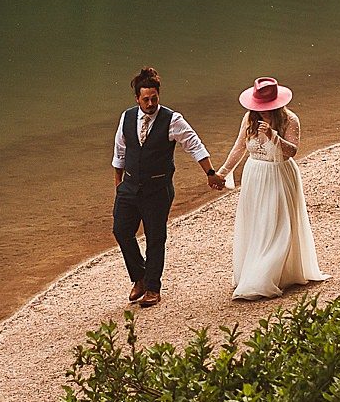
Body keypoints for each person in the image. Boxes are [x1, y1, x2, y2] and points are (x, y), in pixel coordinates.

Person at [112, 65, 222, 309]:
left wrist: (210, 173)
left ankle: (152, 288)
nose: (151, 103)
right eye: (146, 99)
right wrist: (118, 185)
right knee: (121, 231)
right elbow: (120, 150)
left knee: (155, 237)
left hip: (157, 189)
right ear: (137, 98)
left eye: (154, 98)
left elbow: (193, 144)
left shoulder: (172, 120)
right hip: (129, 187)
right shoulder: (127, 117)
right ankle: (139, 276)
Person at [213, 76, 325, 300]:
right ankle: (256, 269)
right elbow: (239, 148)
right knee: (258, 224)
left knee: (277, 223)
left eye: (267, 108)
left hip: (279, 174)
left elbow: (292, 151)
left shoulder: (290, 120)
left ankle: (267, 275)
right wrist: (222, 173)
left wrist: (272, 136)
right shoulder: (249, 118)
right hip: (255, 174)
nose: (262, 112)